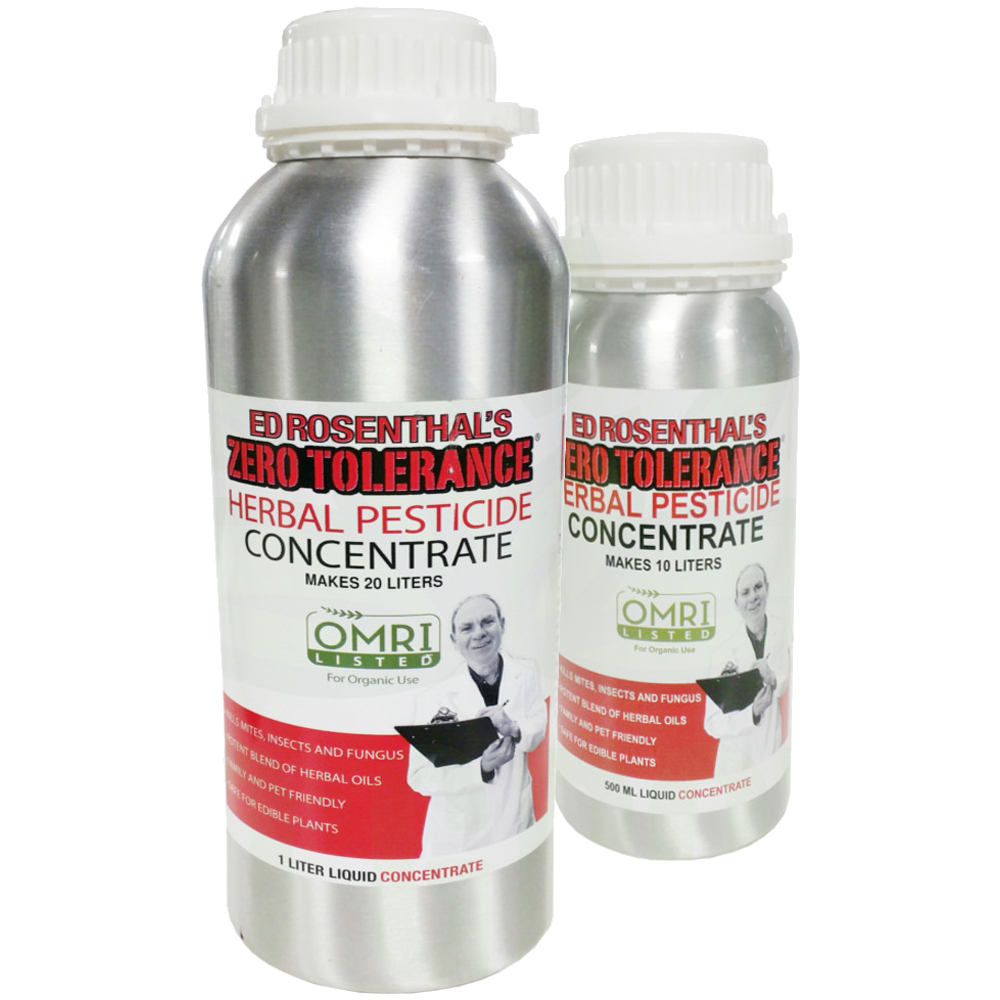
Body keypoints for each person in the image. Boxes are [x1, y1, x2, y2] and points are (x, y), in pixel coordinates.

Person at [407, 594, 547, 857]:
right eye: (467, 628)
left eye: (487, 622)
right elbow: (419, 777)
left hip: (514, 820)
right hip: (458, 838)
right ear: (454, 640)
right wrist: (482, 768)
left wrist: (514, 728)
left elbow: (538, 728)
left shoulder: (526, 674)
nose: (479, 633)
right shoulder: (435, 698)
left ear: (502, 624)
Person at [703, 564, 790, 776]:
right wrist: (753, 713)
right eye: (745, 592)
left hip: (770, 750)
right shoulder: (723, 654)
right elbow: (712, 723)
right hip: (735, 762)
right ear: (737, 603)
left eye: (758, 587)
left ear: (767, 589)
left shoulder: (783, 630)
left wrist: (773, 678)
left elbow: (785, 682)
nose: (753, 597)